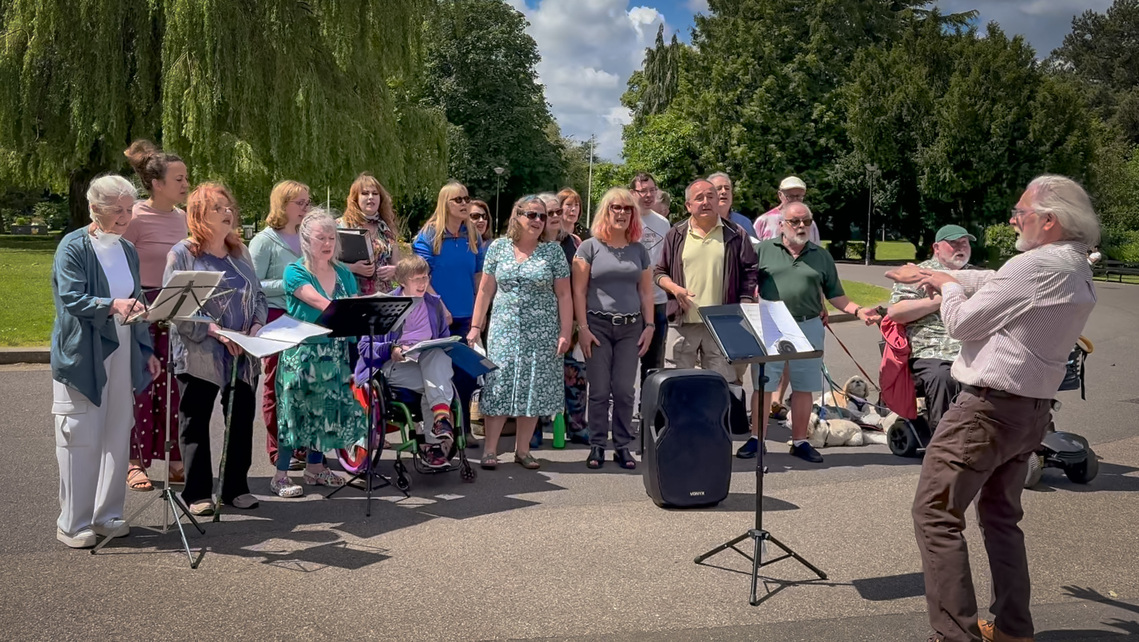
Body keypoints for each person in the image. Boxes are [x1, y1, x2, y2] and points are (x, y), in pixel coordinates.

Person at [887, 175, 1098, 642]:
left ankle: (955, 635)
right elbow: (992, 279)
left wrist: (944, 287)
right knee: (1001, 518)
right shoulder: (1072, 263)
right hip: (1030, 412)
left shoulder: (1038, 264)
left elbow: (961, 322)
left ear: (1049, 220)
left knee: (935, 515)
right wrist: (935, 275)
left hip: (988, 410)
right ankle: (1013, 629)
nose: (1012, 218)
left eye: (1020, 211)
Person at [51, 174, 160, 548]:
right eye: (118, 211)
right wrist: (110, 305)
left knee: (117, 429)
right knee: (80, 434)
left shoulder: (126, 248)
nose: (126, 217)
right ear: (94, 209)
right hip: (84, 350)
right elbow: (70, 298)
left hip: (124, 343)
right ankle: (73, 522)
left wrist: (147, 352)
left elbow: (136, 298)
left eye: (129, 210)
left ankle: (107, 514)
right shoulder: (73, 246)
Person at [739, 202, 879, 464]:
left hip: (808, 325)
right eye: (795, 221)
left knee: (804, 388)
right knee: (764, 385)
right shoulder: (763, 250)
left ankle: (800, 441)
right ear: (782, 224)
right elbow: (746, 284)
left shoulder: (820, 255)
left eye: (806, 221)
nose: (801, 226)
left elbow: (836, 295)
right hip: (771, 325)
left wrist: (859, 310)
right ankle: (757, 440)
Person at [165, 183, 267, 515]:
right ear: (198, 215)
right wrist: (216, 332)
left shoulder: (241, 251)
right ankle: (196, 493)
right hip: (200, 353)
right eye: (218, 208)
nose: (228, 213)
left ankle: (236, 486)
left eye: (229, 207)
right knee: (196, 420)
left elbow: (259, 296)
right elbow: (177, 308)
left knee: (240, 419)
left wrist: (255, 325)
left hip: (242, 352)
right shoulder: (182, 253)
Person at [466, 196, 572, 471]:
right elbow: (486, 290)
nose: (538, 221)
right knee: (499, 386)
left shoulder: (553, 253)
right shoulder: (498, 248)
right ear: (517, 216)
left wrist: (565, 331)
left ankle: (522, 451)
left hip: (543, 332)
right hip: (504, 331)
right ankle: (490, 450)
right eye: (532, 215)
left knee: (533, 389)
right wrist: (476, 327)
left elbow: (563, 294)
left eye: (542, 216)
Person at [272, 210, 368, 497]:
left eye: (331, 237)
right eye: (320, 237)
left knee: (324, 414)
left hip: (335, 351)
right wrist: (353, 309)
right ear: (306, 240)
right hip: (303, 354)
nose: (327, 243)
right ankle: (280, 475)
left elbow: (353, 305)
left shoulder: (344, 274)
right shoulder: (295, 271)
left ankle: (315, 469)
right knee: (294, 413)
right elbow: (324, 304)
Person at [122, 139, 188, 492]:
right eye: (178, 179)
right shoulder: (134, 216)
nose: (186, 184)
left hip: (176, 308)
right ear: (157, 183)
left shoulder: (184, 218)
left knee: (175, 388)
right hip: (142, 309)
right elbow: (118, 263)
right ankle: (135, 462)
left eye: (186, 178)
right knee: (142, 387)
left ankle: (175, 459)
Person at [572, 188, 654, 469]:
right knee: (598, 390)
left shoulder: (639, 250)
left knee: (623, 390)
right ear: (605, 212)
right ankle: (597, 445)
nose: (621, 213)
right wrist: (582, 328)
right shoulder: (589, 247)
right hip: (597, 326)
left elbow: (646, 292)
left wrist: (650, 325)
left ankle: (622, 446)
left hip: (631, 327)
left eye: (627, 209)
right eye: (615, 208)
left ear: (633, 214)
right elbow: (579, 292)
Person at [356, 256, 458, 469]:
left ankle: (439, 422)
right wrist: (391, 349)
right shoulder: (385, 304)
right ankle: (434, 440)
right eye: (417, 279)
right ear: (402, 281)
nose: (423, 283)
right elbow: (365, 348)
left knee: (437, 354)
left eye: (425, 277)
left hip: (428, 364)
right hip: (394, 367)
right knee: (436, 383)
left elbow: (444, 338)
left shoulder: (434, 304)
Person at [654, 179, 758, 383]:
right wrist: (675, 289)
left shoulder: (736, 234)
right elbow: (659, 272)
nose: (706, 202)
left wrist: (746, 299)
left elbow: (750, 270)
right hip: (684, 323)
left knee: (720, 385)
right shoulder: (676, 234)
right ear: (688, 206)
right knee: (678, 385)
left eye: (710, 196)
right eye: (699, 198)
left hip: (722, 323)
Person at [413, 182, 487, 448]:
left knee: (466, 374)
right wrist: (440, 305)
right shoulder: (428, 235)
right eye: (458, 200)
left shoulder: (472, 235)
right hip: (438, 317)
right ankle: (441, 429)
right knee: (441, 374)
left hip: (467, 315)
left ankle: (465, 427)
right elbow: (422, 277)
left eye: (466, 198)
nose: (464, 204)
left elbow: (479, 275)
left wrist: (481, 309)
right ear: (445, 203)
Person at [886, 224, 975, 434]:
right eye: (954, 243)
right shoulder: (917, 273)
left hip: (973, 349)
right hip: (933, 351)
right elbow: (896, 312)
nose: (961, 247)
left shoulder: (974, 276)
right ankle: (944, 443)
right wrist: (941, 300)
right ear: (936, 247)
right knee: (944, 376)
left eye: (965, 243)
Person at [250, 180, 308, 468]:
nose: (305, 208)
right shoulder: (264, 240)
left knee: (303, 385)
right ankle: (277, 448)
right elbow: (252, 283)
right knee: (276, 384)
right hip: (276, 317)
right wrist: (290, 284)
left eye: (307, 203)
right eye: (300, 203)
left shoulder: (307, 237)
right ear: (283, 204)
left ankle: (301, 444)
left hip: (306, 317)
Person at [631, 172, 672, 384]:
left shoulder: (663, 224)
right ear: (632, 193)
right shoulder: (624, 219)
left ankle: (647, 409)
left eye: (652, 191)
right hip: (629, 301)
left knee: (654, 362)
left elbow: (667, 260)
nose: (648, 195)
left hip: (657, 301)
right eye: (643, 191)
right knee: (626, 360)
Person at [338, 172, 400, 295]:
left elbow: (397, 263)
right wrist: (353, 268)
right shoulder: (341, 225)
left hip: (383, 297)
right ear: (355, 199)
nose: (371, 197)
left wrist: (395, 271)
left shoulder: (386, 228)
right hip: (352, 295)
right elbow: (326, 263)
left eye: (375, 193)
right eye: (365, 193)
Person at [753, 176, 820, 243]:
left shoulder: (808, 223)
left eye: (799, 196)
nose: (795, 200)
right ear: (780, 195)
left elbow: (816, 249)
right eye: (790, 196)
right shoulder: (764, 221)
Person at [708, 172, 757, 238]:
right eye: (719, 188)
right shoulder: (700, 222)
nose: (724, 192)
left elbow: (753, 246)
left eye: (727, 188)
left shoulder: (744, 223)